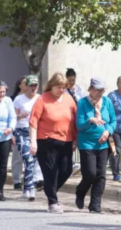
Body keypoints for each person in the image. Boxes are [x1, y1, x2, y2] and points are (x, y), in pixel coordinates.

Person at [29, 73, 78, 214]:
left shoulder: (69, 100)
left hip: (66, 141)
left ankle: (50, 189)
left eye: (64, 87)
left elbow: (73, 121)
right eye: (58, 87)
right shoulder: (42, 99)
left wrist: (75, 139)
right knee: (50, 172)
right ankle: (53, 202)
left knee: (66, 169)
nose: (61, 90)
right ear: (51, 86)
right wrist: (33, 142)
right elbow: (33, 121)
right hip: (46, 140)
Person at [75, 77, 116, 213]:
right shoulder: (82, 103)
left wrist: (107, 131)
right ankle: (80, 192)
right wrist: (90, 120)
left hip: (103, 144)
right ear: (90, 89)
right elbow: (79, 125)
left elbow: (113, 121)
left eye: (102, 90)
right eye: (97, 90)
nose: (99, 93)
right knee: (90, 174)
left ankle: (95, 204)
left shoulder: (107, 102)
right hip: (87, 143)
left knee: (101, 175)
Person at [13, 75, 41, 201]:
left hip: (35, 132)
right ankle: (30, 188)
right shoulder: (19, 99)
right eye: (31, 86)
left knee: (33, 161)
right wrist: (19, 115)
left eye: (35, 86)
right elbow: (12, 116)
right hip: (21, 131)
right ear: (27, 86)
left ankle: (28, 189)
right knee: (27, 159)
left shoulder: (40, 99)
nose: (33, 88)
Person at [10, 76, 28, 190]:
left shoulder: (33, 98)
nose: (27, 85)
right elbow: (9, 117)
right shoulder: (13, 99)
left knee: (29, 156)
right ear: (19, 85)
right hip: (17, 130)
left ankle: (28, 179)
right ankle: (16, 180)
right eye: (25, 83)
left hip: (30, 130)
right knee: (17, 157)